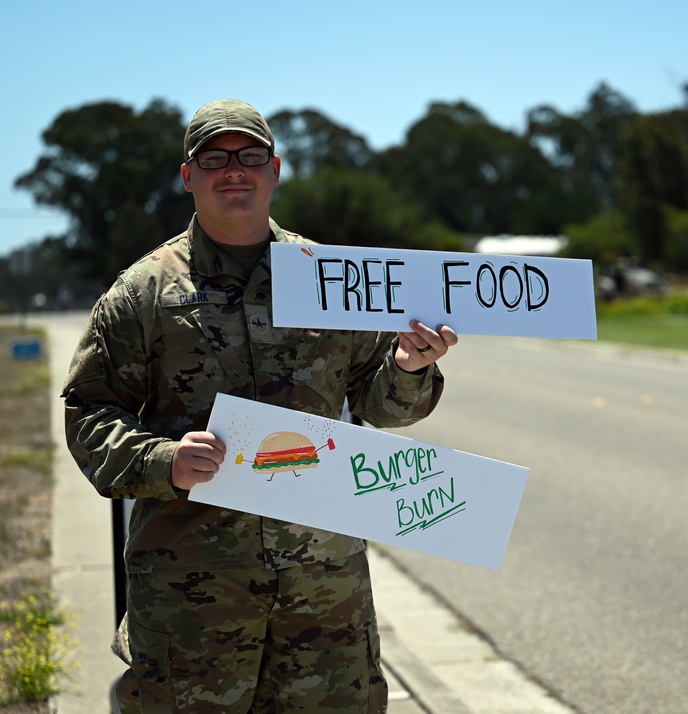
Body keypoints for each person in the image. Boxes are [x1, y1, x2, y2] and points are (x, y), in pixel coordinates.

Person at [62, 98, 458, 713]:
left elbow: (383, 408)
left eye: (249, 156)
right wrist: (162, 459)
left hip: (323, 594)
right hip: (194, 596)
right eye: (214, 158)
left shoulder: (333, 280)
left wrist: (409, 366)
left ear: (274, 170)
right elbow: (89, 412)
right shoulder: (142, 293)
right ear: (188, 176)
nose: (234, 170)